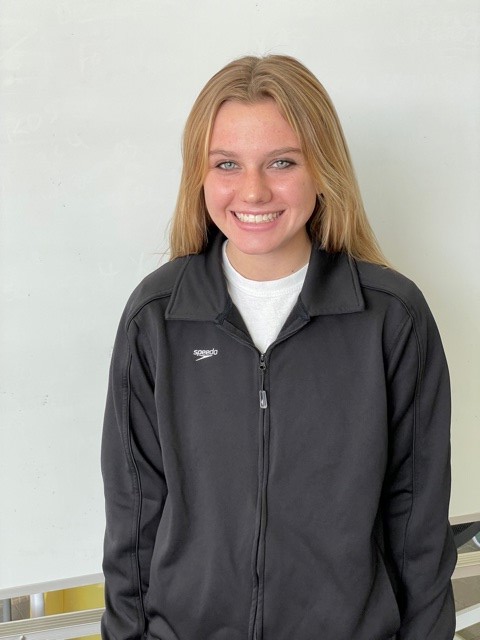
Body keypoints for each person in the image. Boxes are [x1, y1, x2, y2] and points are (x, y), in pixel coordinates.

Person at [101, 55, 457, 640]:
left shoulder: (392, 317)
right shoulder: (157, 317)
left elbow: (418, 527)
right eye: (227, 164)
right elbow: (132, 518)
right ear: (199, 175)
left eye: (282, 162)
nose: (253, 190)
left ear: (323, 169)